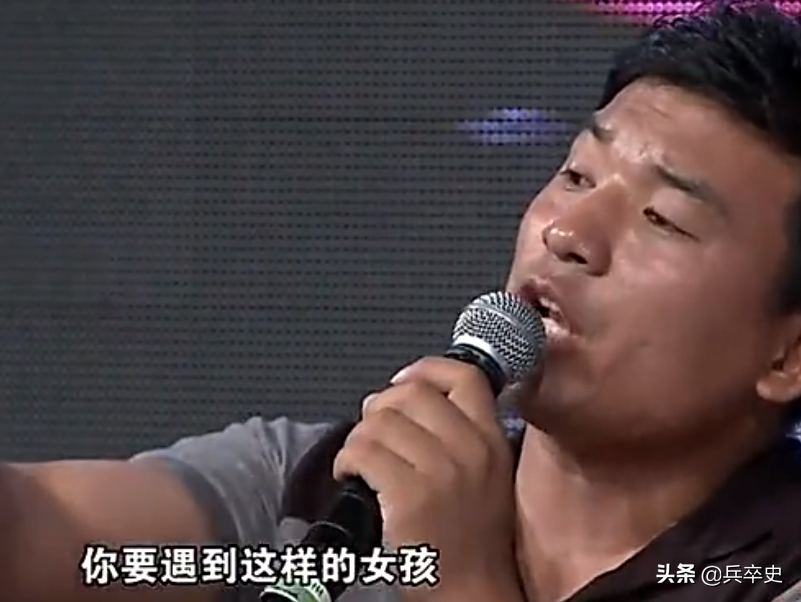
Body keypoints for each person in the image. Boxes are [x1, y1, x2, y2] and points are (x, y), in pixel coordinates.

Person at [4, 2, 801, 601]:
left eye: (662, 218)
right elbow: (49, 532)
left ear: (788, 354)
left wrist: (459, 578)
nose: (568, 232)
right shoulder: (327, 490)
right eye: (575, 175)